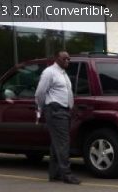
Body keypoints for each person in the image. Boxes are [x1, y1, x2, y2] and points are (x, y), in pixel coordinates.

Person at [35, 50, 80, 184]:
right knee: (63, 143)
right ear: (56, 59)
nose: (67, 61)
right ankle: (66, 174)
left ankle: (54, 173)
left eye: (68, 59)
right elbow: (40, 93)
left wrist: (71, 107)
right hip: (55, 110)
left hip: (64, 110)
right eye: (64, 59)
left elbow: (66, 92)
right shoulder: (49, 72)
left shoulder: (63, 73)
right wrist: (42, 108)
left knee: (57, 144)